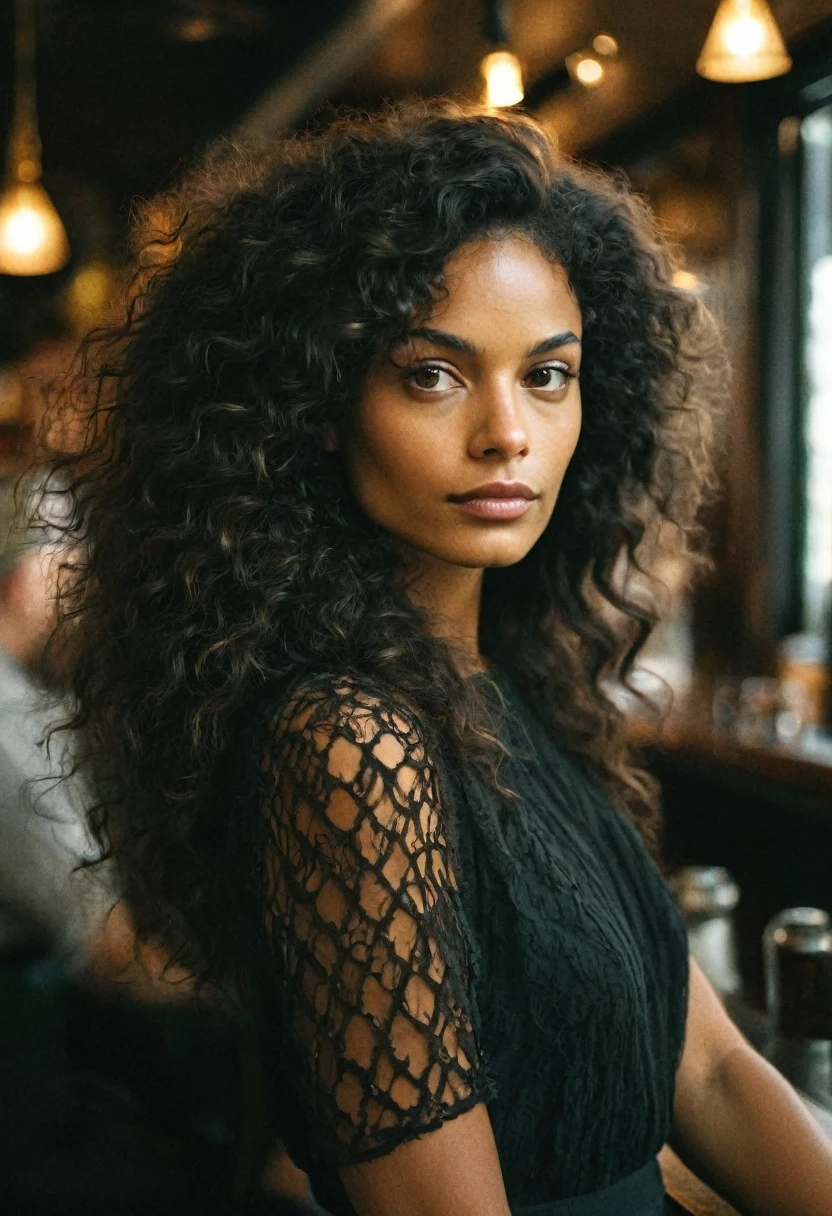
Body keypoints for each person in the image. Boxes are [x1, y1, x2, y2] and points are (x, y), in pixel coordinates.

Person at [43, 103, 832, 1216]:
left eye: (547, 375)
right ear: (318, 404)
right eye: (433, 373)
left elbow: (706, 1068)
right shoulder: (349, 745)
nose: (505, 431)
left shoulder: (510, 688)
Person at [0, 470, 110, 967]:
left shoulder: (37, 687)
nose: (88, 598)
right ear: (22, 581)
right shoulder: (6, 718)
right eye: (73, 570)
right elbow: (109, 947)